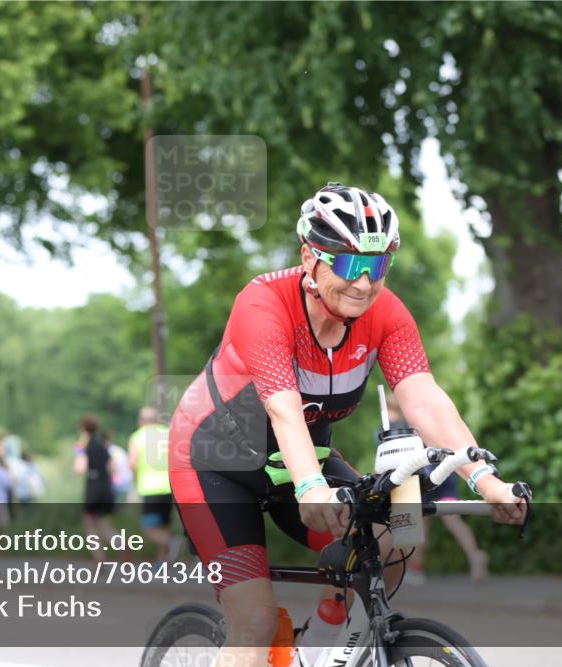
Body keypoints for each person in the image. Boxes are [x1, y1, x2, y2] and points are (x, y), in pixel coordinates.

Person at [167, 182, 527, 667]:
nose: (363, 283)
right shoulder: (263, 305)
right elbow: (283, 409)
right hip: (215, 465)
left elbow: (423, 398)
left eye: (376, 266)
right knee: (253, 622)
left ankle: (317, 650)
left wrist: (483, 478)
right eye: (350, 264)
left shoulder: (385, 313)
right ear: (310, 258)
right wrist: (312, 487)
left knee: (389, 542)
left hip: (301, 460)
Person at [383, 397, 489, 586]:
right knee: (452, 518)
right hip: (446, 473)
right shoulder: (426, 418)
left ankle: (416, 568)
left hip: (424, 477)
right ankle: (475, 554)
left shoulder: (401, 426)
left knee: (422, 520)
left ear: (396, 409)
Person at [127, 406, 181, 563]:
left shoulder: (137, 436)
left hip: (150, 488)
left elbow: (132, 463)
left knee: (149, 528)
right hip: (169, 487)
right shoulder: (168, 433)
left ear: (141, 421)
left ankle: (172, 543)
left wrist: (134, 482)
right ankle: (162, 562)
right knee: (163, 526)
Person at [74, 415, 121, 562]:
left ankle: (99, 560)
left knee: (90, 525)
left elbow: (80, 468)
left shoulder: (84, 445)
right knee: (104, 523)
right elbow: (113, 467)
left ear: (82, 428)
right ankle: (122, 545)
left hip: (93, 488)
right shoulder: (102, 444)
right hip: (106, 487)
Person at [105, 431, 133, 503]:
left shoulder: (112, 451)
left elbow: (114, 468)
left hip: (119, 482)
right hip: (125, 481)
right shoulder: (118, 450)